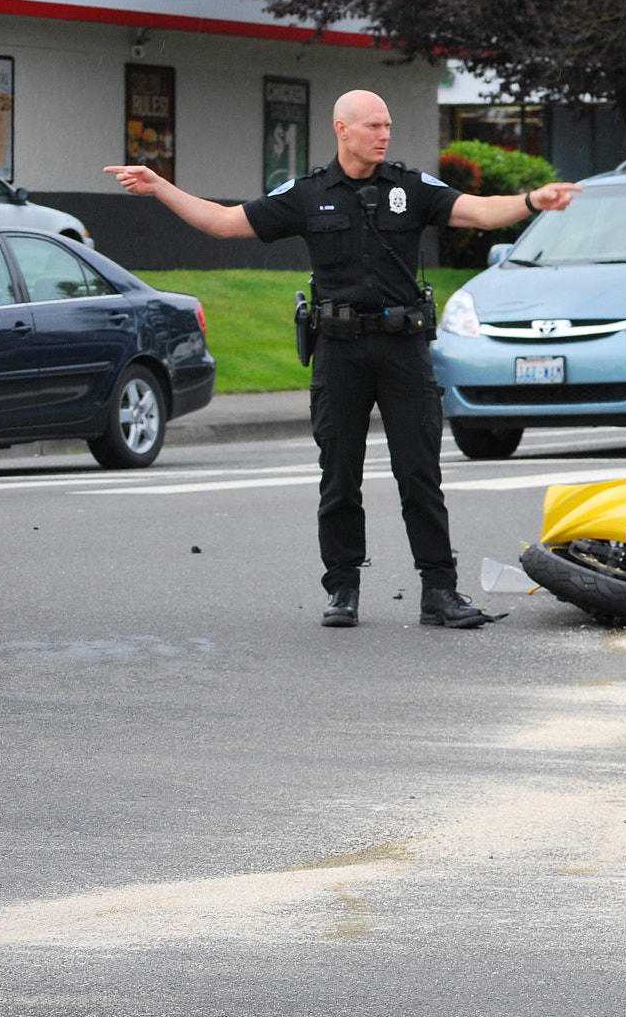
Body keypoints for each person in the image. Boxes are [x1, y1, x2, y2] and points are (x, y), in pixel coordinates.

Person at [106, 90, 581, 630]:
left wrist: (530, 202)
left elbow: (478, 211)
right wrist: (159, 185)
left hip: (403, 348)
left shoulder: (411, 187)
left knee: (420, 473)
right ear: (342, 129)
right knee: (339, 475)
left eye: (388, 125)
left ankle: (439, 592)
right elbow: (224, 222)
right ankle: (343, 590)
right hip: (339, 351)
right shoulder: (308, 193)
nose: (384, 134)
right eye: (374, 125)